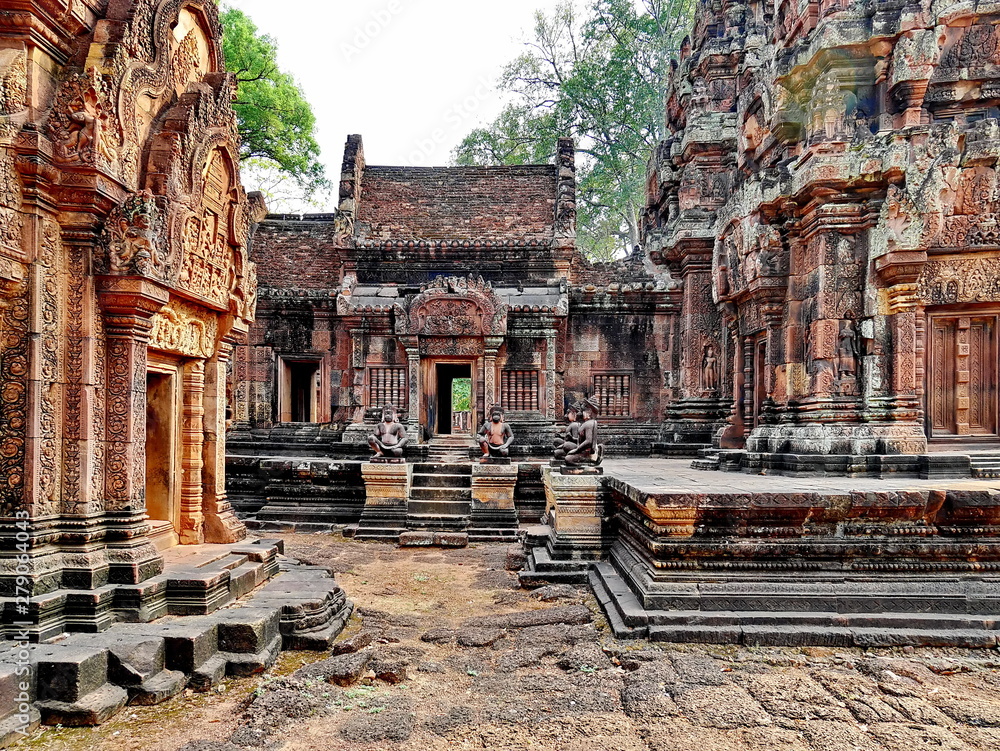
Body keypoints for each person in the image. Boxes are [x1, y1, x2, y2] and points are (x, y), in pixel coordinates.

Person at [565, 397, 604, 466]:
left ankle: (586, 463)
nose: (581, 413)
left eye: (583, 411)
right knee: (565, 447)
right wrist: (572, 439)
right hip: (582, 449)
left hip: (586, 453)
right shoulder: (588, 423)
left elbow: (588, 441)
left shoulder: (589, 424)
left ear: (589, 412)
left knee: (568, 459)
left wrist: (576, 450)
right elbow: (581, 440)